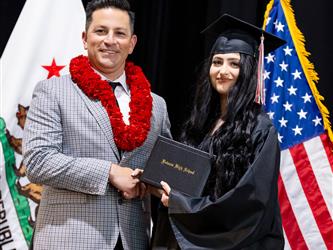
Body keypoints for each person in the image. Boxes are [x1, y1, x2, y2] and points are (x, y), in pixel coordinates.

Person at [22, 0, 171, 249]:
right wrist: (110, 173)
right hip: (69, 239)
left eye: (120, 33)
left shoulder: (156, 105)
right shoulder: (53, 91)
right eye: (101, 31)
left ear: (132, 43)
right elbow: (38, 162)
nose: (110, 40)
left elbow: (162, 168)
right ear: (84, 38)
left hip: (133, 240)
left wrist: (166, 189)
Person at [152, 14, 285, 249]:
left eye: (234, 63)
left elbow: (249, 203)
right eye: (217, 62)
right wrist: (156, 181)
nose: (223, 71)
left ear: (249, 70)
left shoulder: (261, 129)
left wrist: (182, 204)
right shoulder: (200, 125)